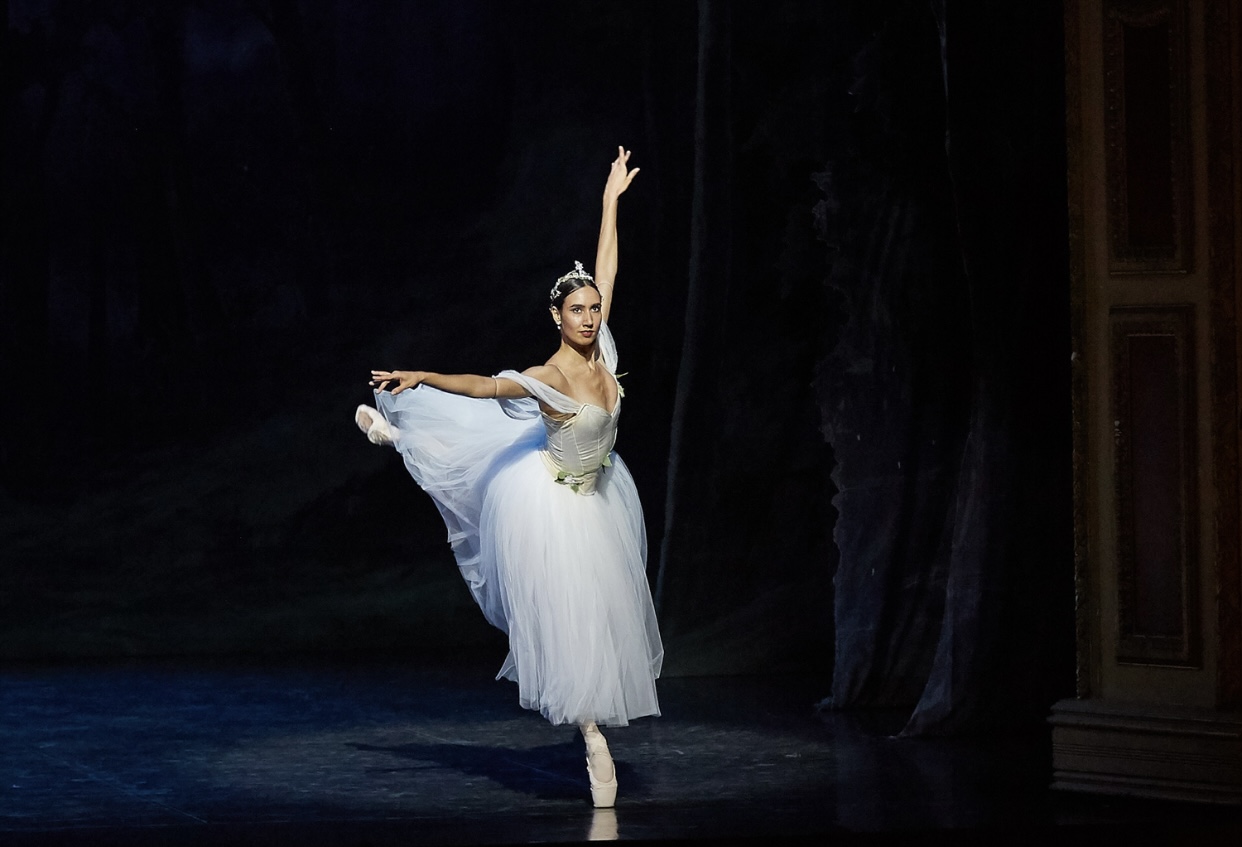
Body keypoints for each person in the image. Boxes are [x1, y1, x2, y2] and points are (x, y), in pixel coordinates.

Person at [354, 147, 662, 808]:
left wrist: (609, 201)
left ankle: (399, 436)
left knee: (606, 621)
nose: (589, 317)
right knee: (566, 623)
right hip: (549, 503)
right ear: (557, 318)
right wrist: (423, 376)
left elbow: (608, 265)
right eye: (577, 310)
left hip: (600, 494)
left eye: (593, 308)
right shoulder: (549, 376)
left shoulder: (604, 348)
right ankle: (593, 737)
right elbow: (486, 387)